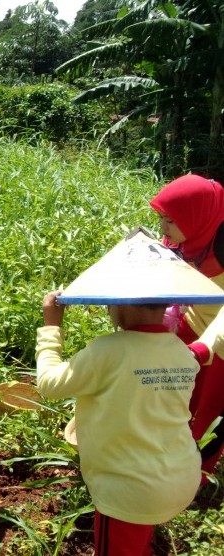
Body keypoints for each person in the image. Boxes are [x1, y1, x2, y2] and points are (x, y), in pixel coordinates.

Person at [38, 229, 224, 555]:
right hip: (181, 478)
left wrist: (52, 325)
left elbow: (49, 385)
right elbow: (201, 352)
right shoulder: (180, 353)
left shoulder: (107, 351)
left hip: (129, 493)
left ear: (118, 304)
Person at [149, 174, 224, 479]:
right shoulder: (186, 235)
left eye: (169, 221)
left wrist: (207, 346)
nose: (163, 228)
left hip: (220, 336)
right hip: (193, 320)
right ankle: (163, 452)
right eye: (161, 218)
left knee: (210, 408)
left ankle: (194, 474)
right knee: (174, 392)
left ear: (197, 218)